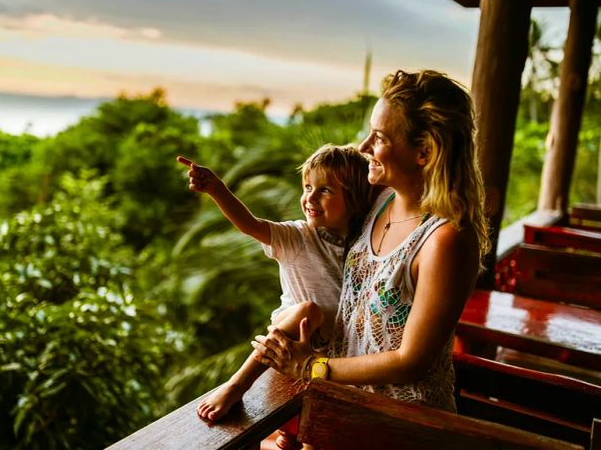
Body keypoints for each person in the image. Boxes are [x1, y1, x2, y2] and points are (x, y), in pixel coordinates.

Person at [252, 69, 490, 412]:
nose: (364, 147)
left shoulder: (446, 240)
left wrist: (309, 367)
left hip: (401, 421)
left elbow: (412, 361)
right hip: (344, 402)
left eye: (378, 138)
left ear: (423, 152)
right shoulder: (379, 198)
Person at [176, 144, 373, 420]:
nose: (310, 198)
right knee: (308, 311)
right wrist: (217, 189)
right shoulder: (297, 237)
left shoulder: (365, 243)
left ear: (354, 200)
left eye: (325, 190)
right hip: (288, 342)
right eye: (307, 187)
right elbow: (250, 224)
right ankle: (237, 384)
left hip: (333, 356)